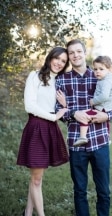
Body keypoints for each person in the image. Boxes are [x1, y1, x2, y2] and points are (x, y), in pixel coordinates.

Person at [55, 39, 112, 216]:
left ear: (84, 52)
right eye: (71, 53)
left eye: (78, 51)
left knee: (104, 191)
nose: (75, 55)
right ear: (69, 56)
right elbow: (56, 110)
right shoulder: (62, 80)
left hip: (100, 142)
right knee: (79, 191)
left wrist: (106, 116)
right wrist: (72, 113)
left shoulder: (99, 74)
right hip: (76, 143)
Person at [16, 47, 70, 216]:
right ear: (50, 57)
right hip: (37, 127)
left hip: (50, 129)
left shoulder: (60, 82)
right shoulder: (35, 76)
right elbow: (29, 106)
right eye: (57, 58)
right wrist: (53, 117)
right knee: (37, 178)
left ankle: (27, 213)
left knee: (37, 177)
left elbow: (61, 109)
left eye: (63, 61)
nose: (59, 63)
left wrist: (64, 106)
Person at [60, 55, 112, 146]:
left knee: (85, 115)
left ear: (109, 69)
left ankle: (83, 137)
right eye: (95, 69)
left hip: (103, 108)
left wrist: (93, 101)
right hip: (107, 107)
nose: (97, 72)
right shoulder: (110, 80)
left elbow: (105, 96)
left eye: (101, 69)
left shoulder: (105, 82)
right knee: (105, 121)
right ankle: (107, 137)